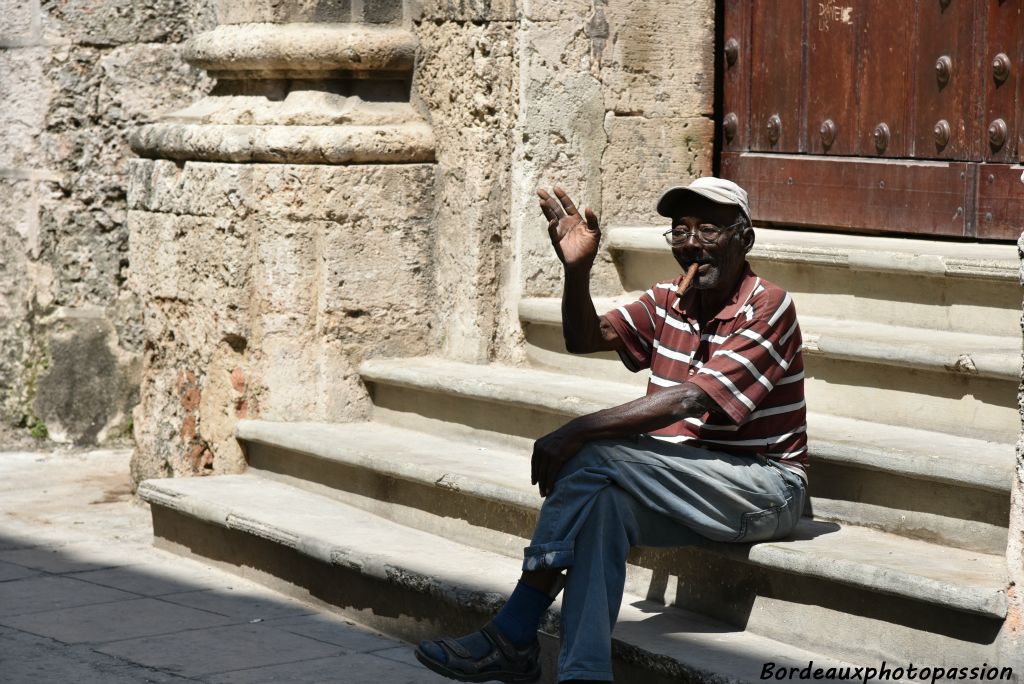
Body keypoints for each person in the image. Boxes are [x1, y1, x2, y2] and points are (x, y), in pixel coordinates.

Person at [414, 177, 808, 683]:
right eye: (680, 230)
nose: (690, 243)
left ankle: (514, 629)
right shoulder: (672, 298)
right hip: (682, 482)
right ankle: (583, 675)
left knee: (594, 453)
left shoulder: (767, 305)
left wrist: (578, 430)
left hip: (764, 488)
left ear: (743, 239)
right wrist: (576, 271)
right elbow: (585, 337)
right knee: (601, 508)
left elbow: (692, 396)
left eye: (708, 230)